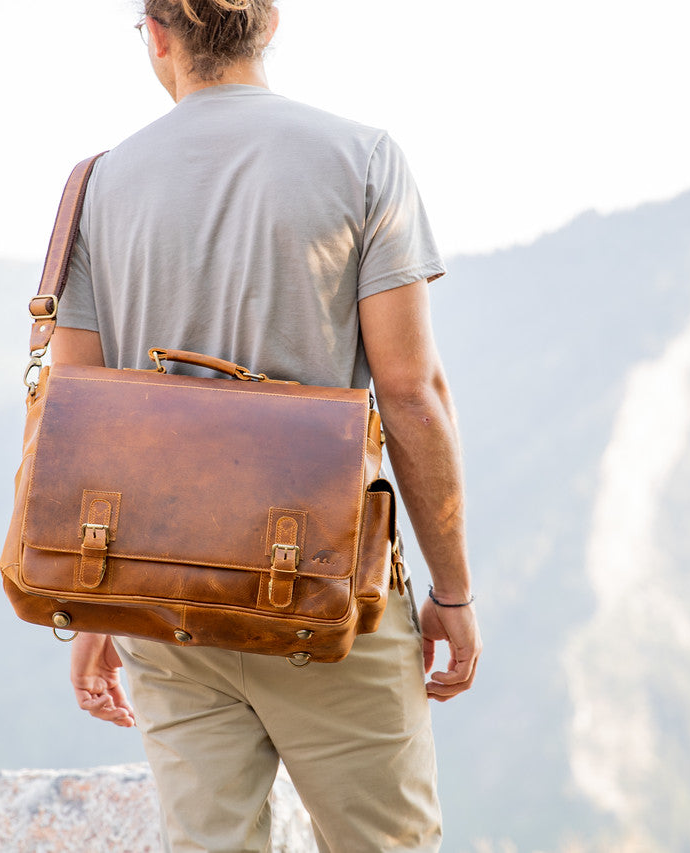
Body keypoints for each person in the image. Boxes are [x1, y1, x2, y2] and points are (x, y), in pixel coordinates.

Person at [53, 1, 481, 849]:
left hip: (167, 601)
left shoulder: (98, 185)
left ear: (159, 35)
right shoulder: (362, 161)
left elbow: (77, 407)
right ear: (270, 26)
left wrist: (96, 600)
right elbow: (411, 391)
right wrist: (453, 590)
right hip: (325, 596)